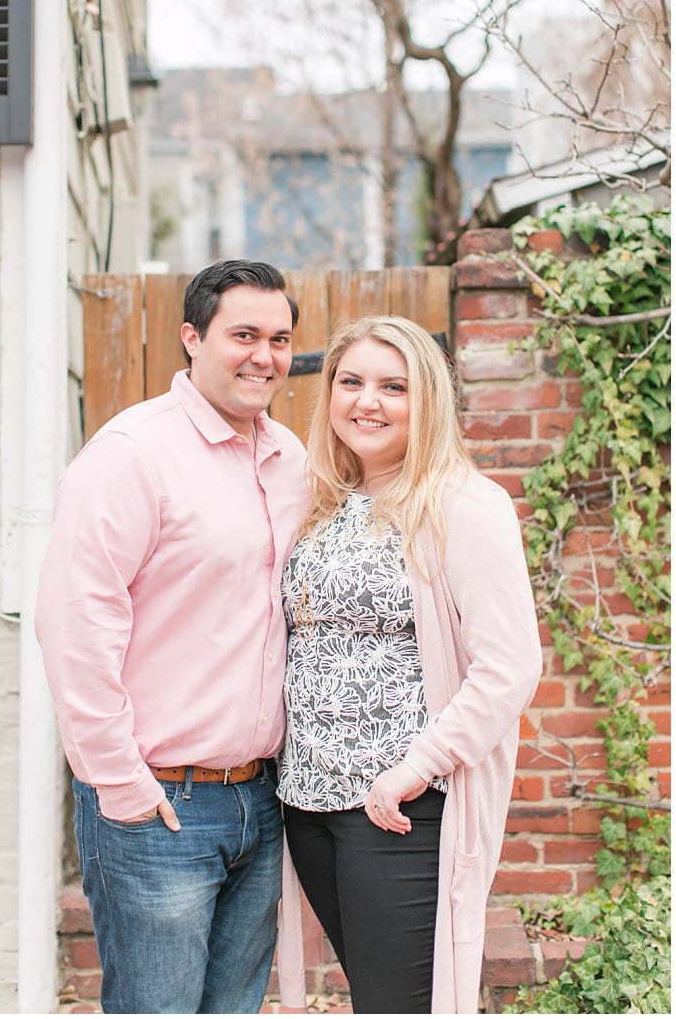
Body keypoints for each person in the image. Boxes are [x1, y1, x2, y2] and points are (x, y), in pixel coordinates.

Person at [35, 259, 310, 1014]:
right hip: (159, 805)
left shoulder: (292, 463)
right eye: (243, 334)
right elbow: (72, 622)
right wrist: (119, 783)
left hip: (261, 798)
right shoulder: (131, 456)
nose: (263, 355)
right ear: (192, 337)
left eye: (279, 338)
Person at [274, 315, 541, 1013]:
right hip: (308, 802)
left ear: (426, 399)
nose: (367, 401)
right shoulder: (323, 502)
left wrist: (413, 768)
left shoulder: (464, 504)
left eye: (393, 386)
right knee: (375, 997)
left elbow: (508, 666)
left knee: (398, 1004)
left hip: (396, 810)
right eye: (351, 381)